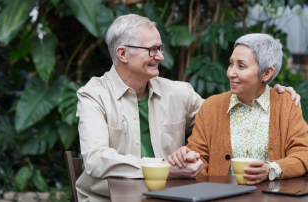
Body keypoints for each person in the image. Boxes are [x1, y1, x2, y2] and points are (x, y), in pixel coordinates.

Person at [76, 15, 300, 201]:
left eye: (160, 48)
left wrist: (268, 91)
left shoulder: (178, 93)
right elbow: (96, 160)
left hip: (169, 197)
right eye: (152, 50)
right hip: (107, 199)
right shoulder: (93, 96)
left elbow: (225, 116)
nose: (161, 56)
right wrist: (164, 167)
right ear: (123, 54)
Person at [168, 33, 308, 185]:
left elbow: (303, 154)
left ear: (266, 73)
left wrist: (270, 169)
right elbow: (198, 156)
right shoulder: (211, 107)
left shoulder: (286, 105)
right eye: (231, 64)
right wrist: (188, 159)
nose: (230, 73)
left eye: (241, 66)